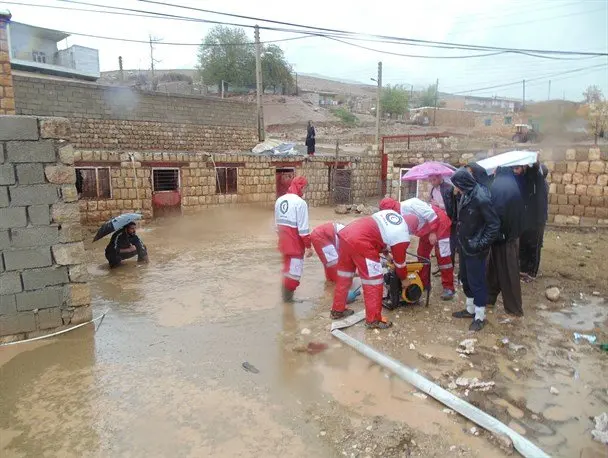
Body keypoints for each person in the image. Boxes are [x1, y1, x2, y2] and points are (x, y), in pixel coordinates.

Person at [330, 198, 410, 329]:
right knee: (374, 281)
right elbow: (400, 263)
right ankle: (373, 320)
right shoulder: (403, 233)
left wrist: (386, 254)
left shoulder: (386, 215)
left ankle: (337, 310)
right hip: (362, 242)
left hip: (346, 235)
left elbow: (377, 233)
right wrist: (404, 278)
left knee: (344, 277)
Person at [451, 169, 500, 332]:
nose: (456, 189)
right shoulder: (466, 194)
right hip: (465, 244)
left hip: (475, 247)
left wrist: (480, 244)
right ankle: (470, 309)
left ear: (463, 183)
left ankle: (480, 316)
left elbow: (494, 225)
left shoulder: (481, 197)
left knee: (477, 281)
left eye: (457, 185)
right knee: (465, 278)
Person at [388, 197, 455, 300]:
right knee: (422, 254)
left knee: (443, 256)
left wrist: (433, 232)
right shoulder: (396, 216)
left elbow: (432, 215)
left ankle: (448, 287)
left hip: (440, 224)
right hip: (425, 228)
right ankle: (424, 283)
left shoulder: (412, 203)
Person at [486, 166, 525, 316]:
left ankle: (514, 308)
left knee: (508, 271)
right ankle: (489, 298)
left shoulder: (500, 185)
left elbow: (498, 211)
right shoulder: (509, 181)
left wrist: (497, 233)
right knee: (493, 269)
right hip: (508, 234)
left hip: (505, 236)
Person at [275, 176, 313, 301]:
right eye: (305, 187)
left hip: (283, 243)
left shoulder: (279, 200)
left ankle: (285, 300)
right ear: (300, 187)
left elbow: (277, 226)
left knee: (287, 270)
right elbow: (303, 230)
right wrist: (308, 246)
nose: (305, 190)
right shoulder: (300, 203)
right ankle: (288, 302)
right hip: (295, 245)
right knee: (294, 274)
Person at [519, 161, 548, 280]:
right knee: (525, 243)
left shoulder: (541, 183)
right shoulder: (530, 182)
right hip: (528, 219)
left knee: (534, 246)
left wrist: (534, 160)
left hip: (537, 221)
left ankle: (532, 272)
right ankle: (524, 269)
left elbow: (540, 204)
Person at [428, 174, 458, 265]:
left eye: (434, 180)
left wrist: (439, 205)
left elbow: (453, 208)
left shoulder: (449, 189)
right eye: (430, 180)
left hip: (448, 221)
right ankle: (441, 265)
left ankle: (450, 265)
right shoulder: (433, 190)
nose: (432, 182)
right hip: (438, 220)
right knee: (438, 243)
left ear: (440, 178)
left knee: (448, 244)